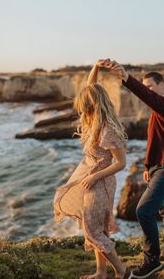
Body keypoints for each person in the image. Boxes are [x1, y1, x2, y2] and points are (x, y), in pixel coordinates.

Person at [101, 59, 164, 279]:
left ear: (161, 85)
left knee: (143, 211)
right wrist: (148, 166)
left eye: (151, 87)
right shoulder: (158, 111)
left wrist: (126, 77)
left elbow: (145, 96)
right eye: (146, 87)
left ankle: (152, 261)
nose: (148, 91)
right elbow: (153, 141)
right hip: (160, 167)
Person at [53, 60, 131, 279]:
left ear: (92, 105)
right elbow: (92, 86)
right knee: (97, 227)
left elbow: (121, 163)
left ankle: (122, 271)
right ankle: (101, 272)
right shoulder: (95, 120)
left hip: (101, 183)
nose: (81, 110)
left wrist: (96, 175)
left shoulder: (107, 130)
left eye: (83, 106)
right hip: (92, 180)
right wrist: (96, 67)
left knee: (93, 230)